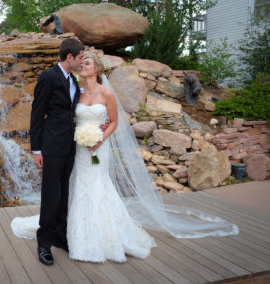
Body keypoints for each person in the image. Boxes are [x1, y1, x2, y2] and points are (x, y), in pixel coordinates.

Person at [12, 52, 238, 264]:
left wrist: (100, 137)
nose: (82, 65)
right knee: (76, 186)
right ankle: (68, 233)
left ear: (97, 69)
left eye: (87, 63)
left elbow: (114, 122)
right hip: (78, 148)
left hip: (99, 147)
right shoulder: (76, 90)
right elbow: (62, 112)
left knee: (99, 185)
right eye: (81, 63)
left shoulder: (107, 93)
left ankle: (104, 234)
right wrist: (47, 118)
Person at [29, 38, 84, 266]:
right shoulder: (47, 77)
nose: (82, 62)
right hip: (50, 147)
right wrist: (36, 149)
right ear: (69, 57)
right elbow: (37, 112)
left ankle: (61, 237)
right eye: (80, 58)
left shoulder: (73, 79)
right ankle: (44, 244)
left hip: (69, 146)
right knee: (51, 196)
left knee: (63, 196)